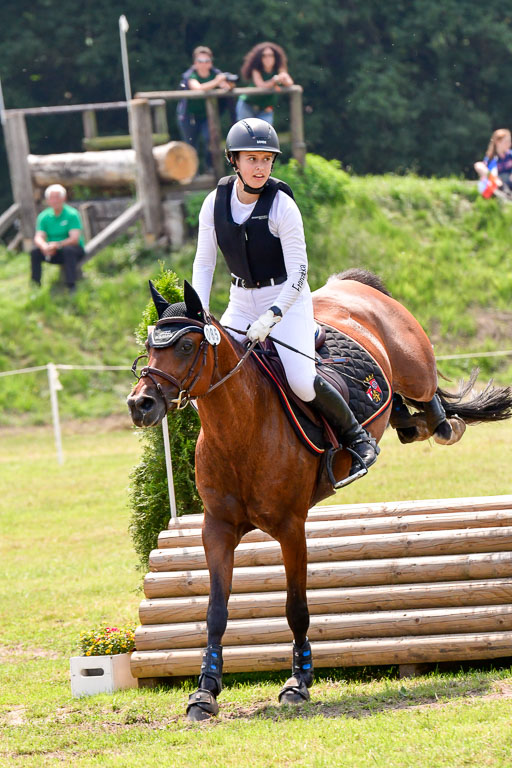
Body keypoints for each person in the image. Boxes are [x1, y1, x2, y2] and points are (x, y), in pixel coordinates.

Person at [192, 118, 379, 482]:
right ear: (234, 160)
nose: (260, 167)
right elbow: (204, 263)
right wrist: (201, 315)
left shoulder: (282, 206)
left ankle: (358, 438)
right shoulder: (214, 203)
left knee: (301, 381)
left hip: (286, 300)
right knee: (208, 376)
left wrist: (273, 316)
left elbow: (299, 274)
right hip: (240, 300)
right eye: (252, 159)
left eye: (266, 159)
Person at [177, 46, 235, 172]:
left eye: (207, 61)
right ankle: (192, 172)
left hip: (208, 117)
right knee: (190, 145)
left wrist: (229, 84)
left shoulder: (216, 74)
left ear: (211, 62)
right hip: (189, 116)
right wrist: (217, 81)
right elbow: (197, 88)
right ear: (195, 63)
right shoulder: (191, 75)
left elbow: (225, 87)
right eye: (200, 61)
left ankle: (211, 169)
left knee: (211, 140)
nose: (204, 64)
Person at [31, 184, 85, 292]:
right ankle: (35, 285)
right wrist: (45, 247)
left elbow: (74, 239)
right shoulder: (44, 216)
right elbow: (38, 237)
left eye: (57, 197)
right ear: (47, 200)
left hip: (73, 250)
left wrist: (57, 245)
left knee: (68, 251)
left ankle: (71, 286)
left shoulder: (72, 214)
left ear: (63, 198)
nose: (54, 200)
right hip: (53, 251)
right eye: (51, 198)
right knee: (35, 252)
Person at [236, 42, 294, 125]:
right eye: (264, 56)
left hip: (265, 109)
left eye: (270, 55)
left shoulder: (279, 69)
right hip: (247, 106)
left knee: (265, 132)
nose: (267, 58)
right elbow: (261, 85)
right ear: (260, 58)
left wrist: (283, 79)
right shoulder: (256, 69)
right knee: (245, 132)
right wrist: (274, 81)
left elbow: (289, 82)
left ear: (275, 57)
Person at [474, 129, 512, 197]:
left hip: (509, 180)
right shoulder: (491, 158)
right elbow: (488, 171)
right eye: (506, 141)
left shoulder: (510, 155)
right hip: (496, 181)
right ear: (498, 142)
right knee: (479, 165)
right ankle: (500, 189)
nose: (509, 144)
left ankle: (505, 191)